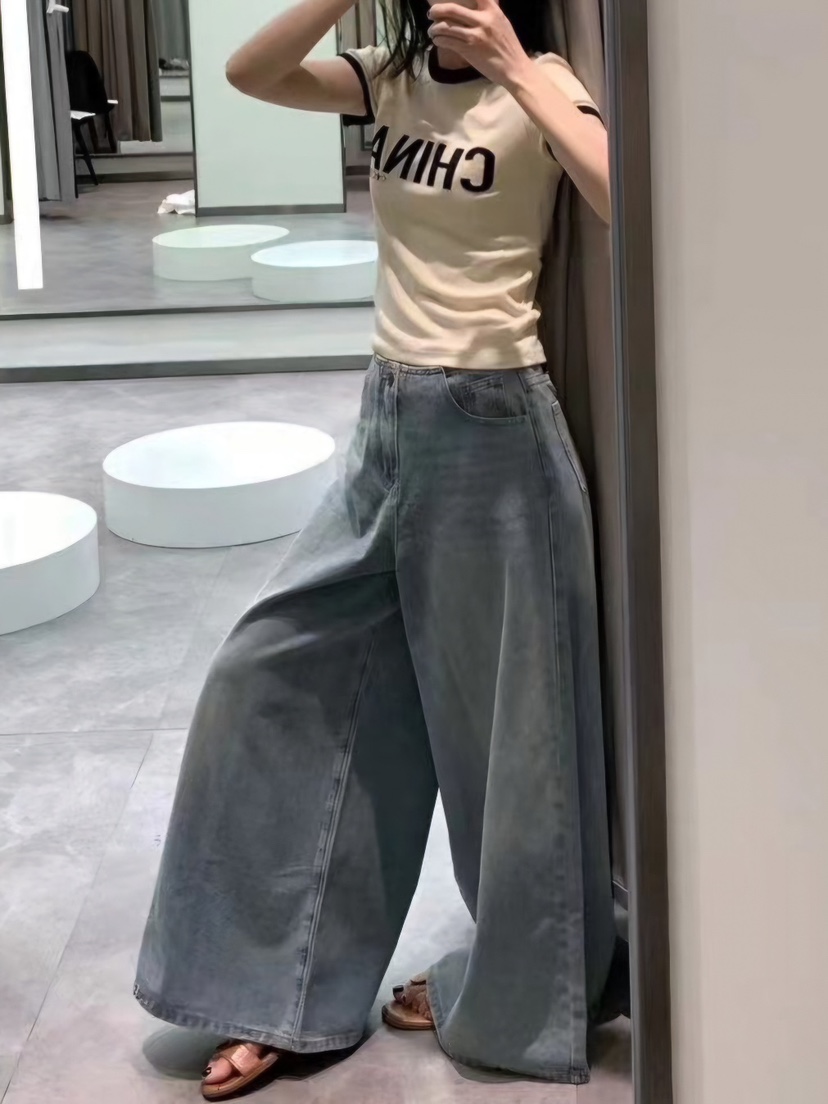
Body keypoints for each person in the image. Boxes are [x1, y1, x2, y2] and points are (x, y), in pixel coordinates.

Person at [134, 0, 617, 1098]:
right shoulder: (385, 77)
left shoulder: (542, 79)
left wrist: (513, 65)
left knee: (510, 747)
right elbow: (251, 72)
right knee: (267, 674)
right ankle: (278, 991)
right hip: (387, 418)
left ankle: (517, 991)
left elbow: (621, 198)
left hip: (494, 425)